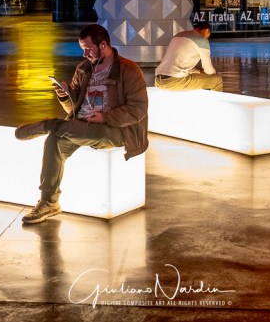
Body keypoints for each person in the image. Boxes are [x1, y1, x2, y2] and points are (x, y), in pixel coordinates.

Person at [14, 24, 148, 224]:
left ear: (103, 45)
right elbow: (73, 109)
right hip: (81, 125)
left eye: (88, 49)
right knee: (54, 141)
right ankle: (49, 202)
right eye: (82, 49)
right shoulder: (84, 69)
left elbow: (138, 109)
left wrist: (105, 117)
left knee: (60, 130)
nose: (84, 54)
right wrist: (65, 95)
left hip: (115, 130)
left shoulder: (128, 70)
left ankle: (50, 124)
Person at [154, 21, 223, 91]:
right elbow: (208, 69)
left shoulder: (178, 35)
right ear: (206, 31)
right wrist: (214, 74)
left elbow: (178, 67)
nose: (207, 38)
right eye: (208, 36)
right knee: (217, 80)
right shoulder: (202, 40)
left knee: (202, 78)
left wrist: (199, 71)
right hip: (174, 81)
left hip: (158, 81)